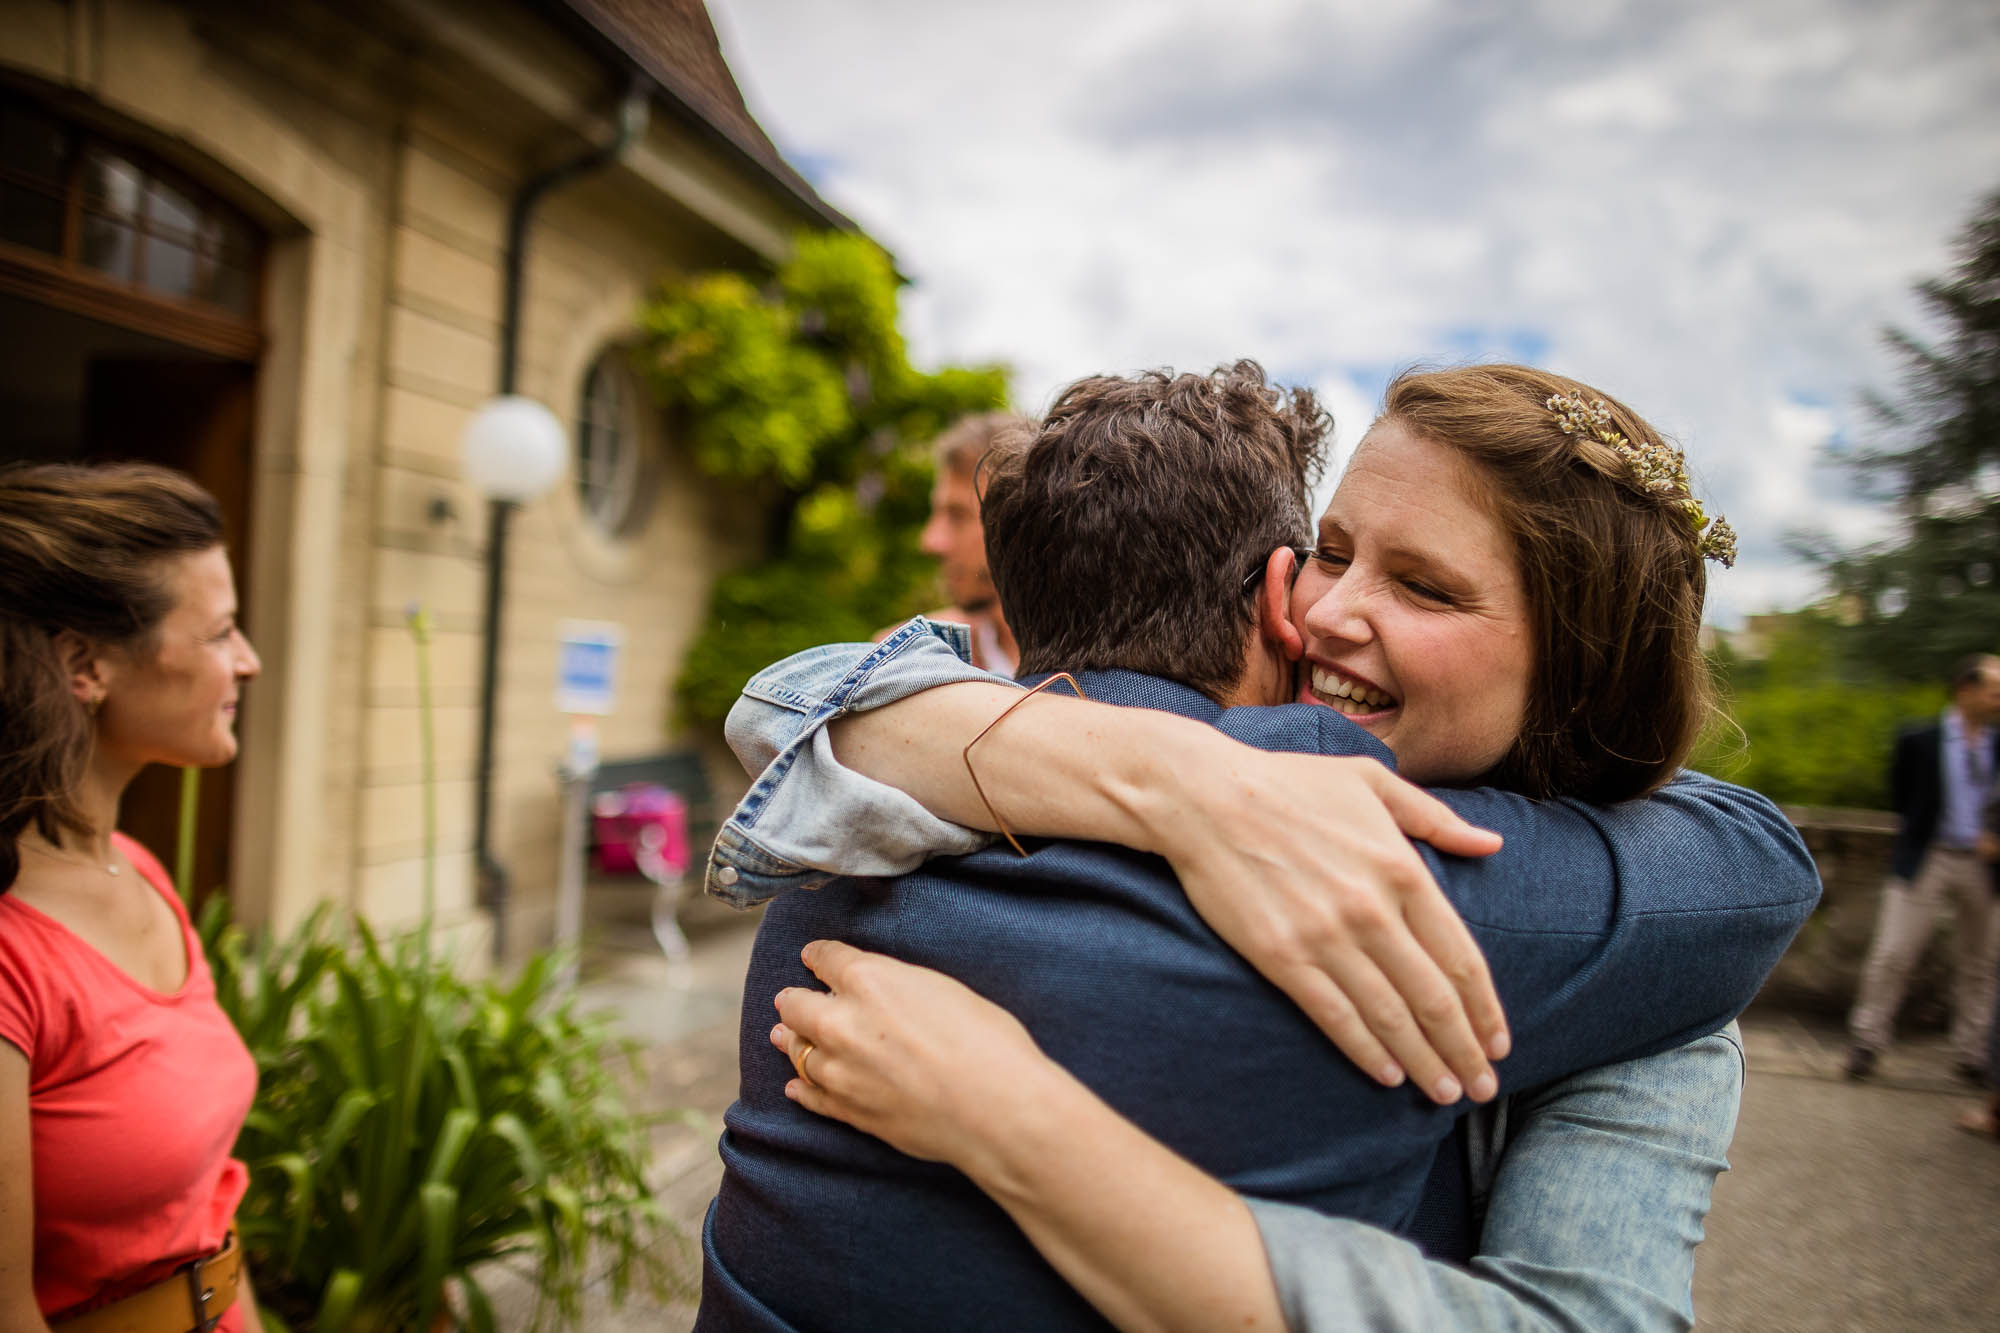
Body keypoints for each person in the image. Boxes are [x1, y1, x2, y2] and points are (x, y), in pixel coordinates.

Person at [696, 364, 1816, 1331]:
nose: (1328, 616)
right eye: (1331, 552)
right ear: (1276, 578)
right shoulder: (1005, 775)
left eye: (1424, 587)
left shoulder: (860, 826)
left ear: (1580, 663)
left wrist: (1016, 1125)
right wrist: (1187, 780)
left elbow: (1762, 869)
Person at [0, 463, 264, 1333]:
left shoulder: (138, 869)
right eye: (221, 631)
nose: (248, 661)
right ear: (84, 663)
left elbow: (207, 1219)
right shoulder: (13, 950)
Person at [1846, 653, 2000, 1082]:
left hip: (1983, 866)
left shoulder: (1998, 745)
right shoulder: (1918, 740)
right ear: (1965, 690)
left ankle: (1974, 1054)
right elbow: (1901, 797)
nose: (1999, 700)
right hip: (1928, 858)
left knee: (1982, 963)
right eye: (1994, 691)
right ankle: (1867, 1042)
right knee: (1893, 953)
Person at [894, 411, 1028, 673]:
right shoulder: (913, 661)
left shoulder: (1107, 676)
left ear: (1023, 525)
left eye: (957, 516)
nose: (930, 542)